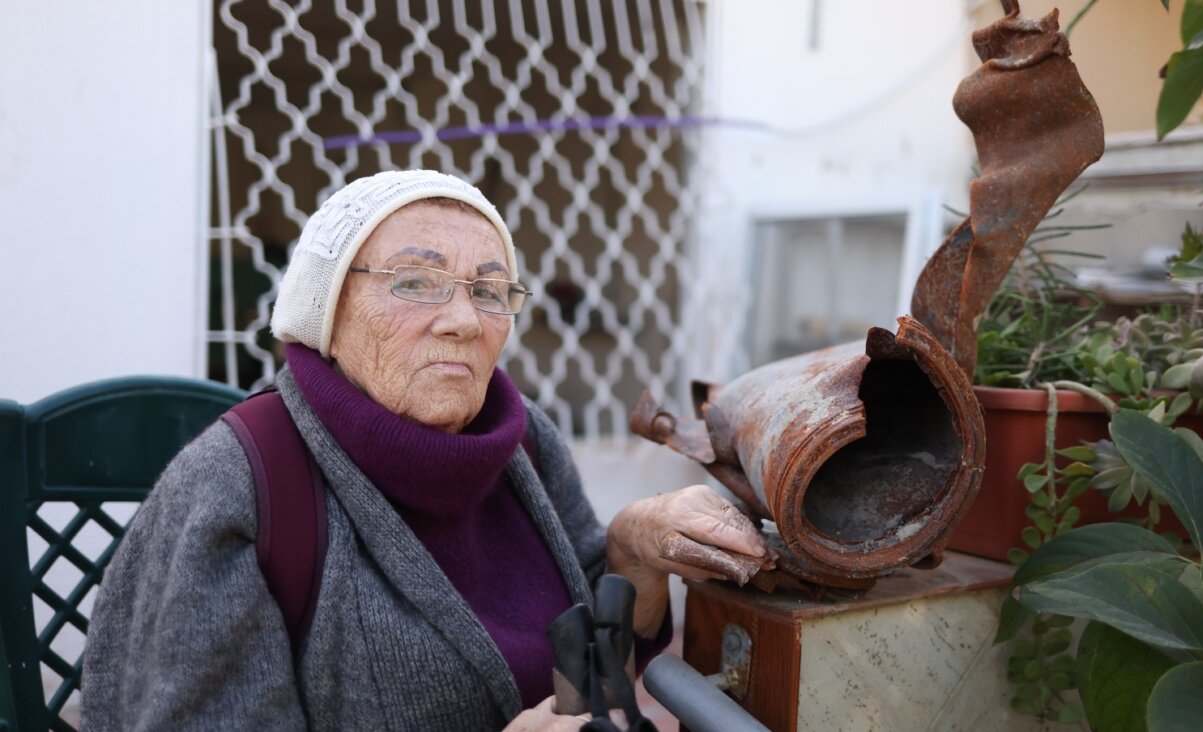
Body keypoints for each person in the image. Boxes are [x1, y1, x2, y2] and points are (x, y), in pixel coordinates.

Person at [81, 170, 775, 731]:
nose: (463, 321)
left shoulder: (523, 442)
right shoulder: (238, 484)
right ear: (328, 309)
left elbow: (591, 680)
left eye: (490, 290)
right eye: (416, 282)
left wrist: (632, 552)